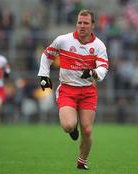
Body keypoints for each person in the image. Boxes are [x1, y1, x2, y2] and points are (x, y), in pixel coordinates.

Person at [38, 9, 109, 169]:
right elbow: (47, 55)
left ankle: (82, 162)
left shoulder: (99, 46)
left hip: (88, 92)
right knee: (68, 126)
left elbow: (103, 67)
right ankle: (73, 128)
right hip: (67, 90)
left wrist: (93, 73)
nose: (82, 26)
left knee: (88, 130)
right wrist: (44, 76)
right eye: (79, 22)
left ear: (93, 25)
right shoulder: (63, 40)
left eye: (86, 23)